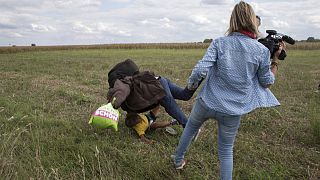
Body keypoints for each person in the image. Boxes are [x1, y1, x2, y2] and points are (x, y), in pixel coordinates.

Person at [172, 1, 285, 179]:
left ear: (233, 19)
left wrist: (191, 87)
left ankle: (178, 160)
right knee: (225, 150)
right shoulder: (262, 51)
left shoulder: (219, 43)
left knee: (190, 129)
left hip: (207, 101)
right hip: (233, 110)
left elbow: (201, 70)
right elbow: (266, 82)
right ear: (252, 20)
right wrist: (275, 61)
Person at [107, 59, 203, 129]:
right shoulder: (132, 81)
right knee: (184, 95)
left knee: (170, 105)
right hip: (160, 80)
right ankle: (199, 76)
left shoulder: (121, 83)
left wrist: (113, 105)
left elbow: (122, 91)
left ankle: (190, 128)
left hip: (157, 87)